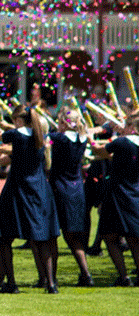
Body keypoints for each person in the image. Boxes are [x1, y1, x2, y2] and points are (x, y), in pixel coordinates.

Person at [0, 104, 60, 293]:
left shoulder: (17, 134)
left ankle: (11, 283)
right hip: (39, 189)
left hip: (18, 188)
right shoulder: (40, 135)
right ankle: (51, 284)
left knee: (5, 238)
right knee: (42, 239)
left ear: (18, 119)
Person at [91, 108, 139, 286]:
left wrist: (88, 137)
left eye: (126, 124)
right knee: (134, 237)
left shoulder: (123, 142)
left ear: (132, 127)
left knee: (109, 235)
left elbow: (99, 151)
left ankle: (124, 277)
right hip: (135, 193)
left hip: (117, 193)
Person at [48, 107, 94, 286]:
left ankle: (51, 278)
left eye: (60, 122)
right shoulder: (82, 138)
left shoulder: (59, 138)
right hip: (76, 188)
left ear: (65, 124)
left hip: (60, 188)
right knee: (73, 235)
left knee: (55, 235)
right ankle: (85, 274)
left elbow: (43, 138)